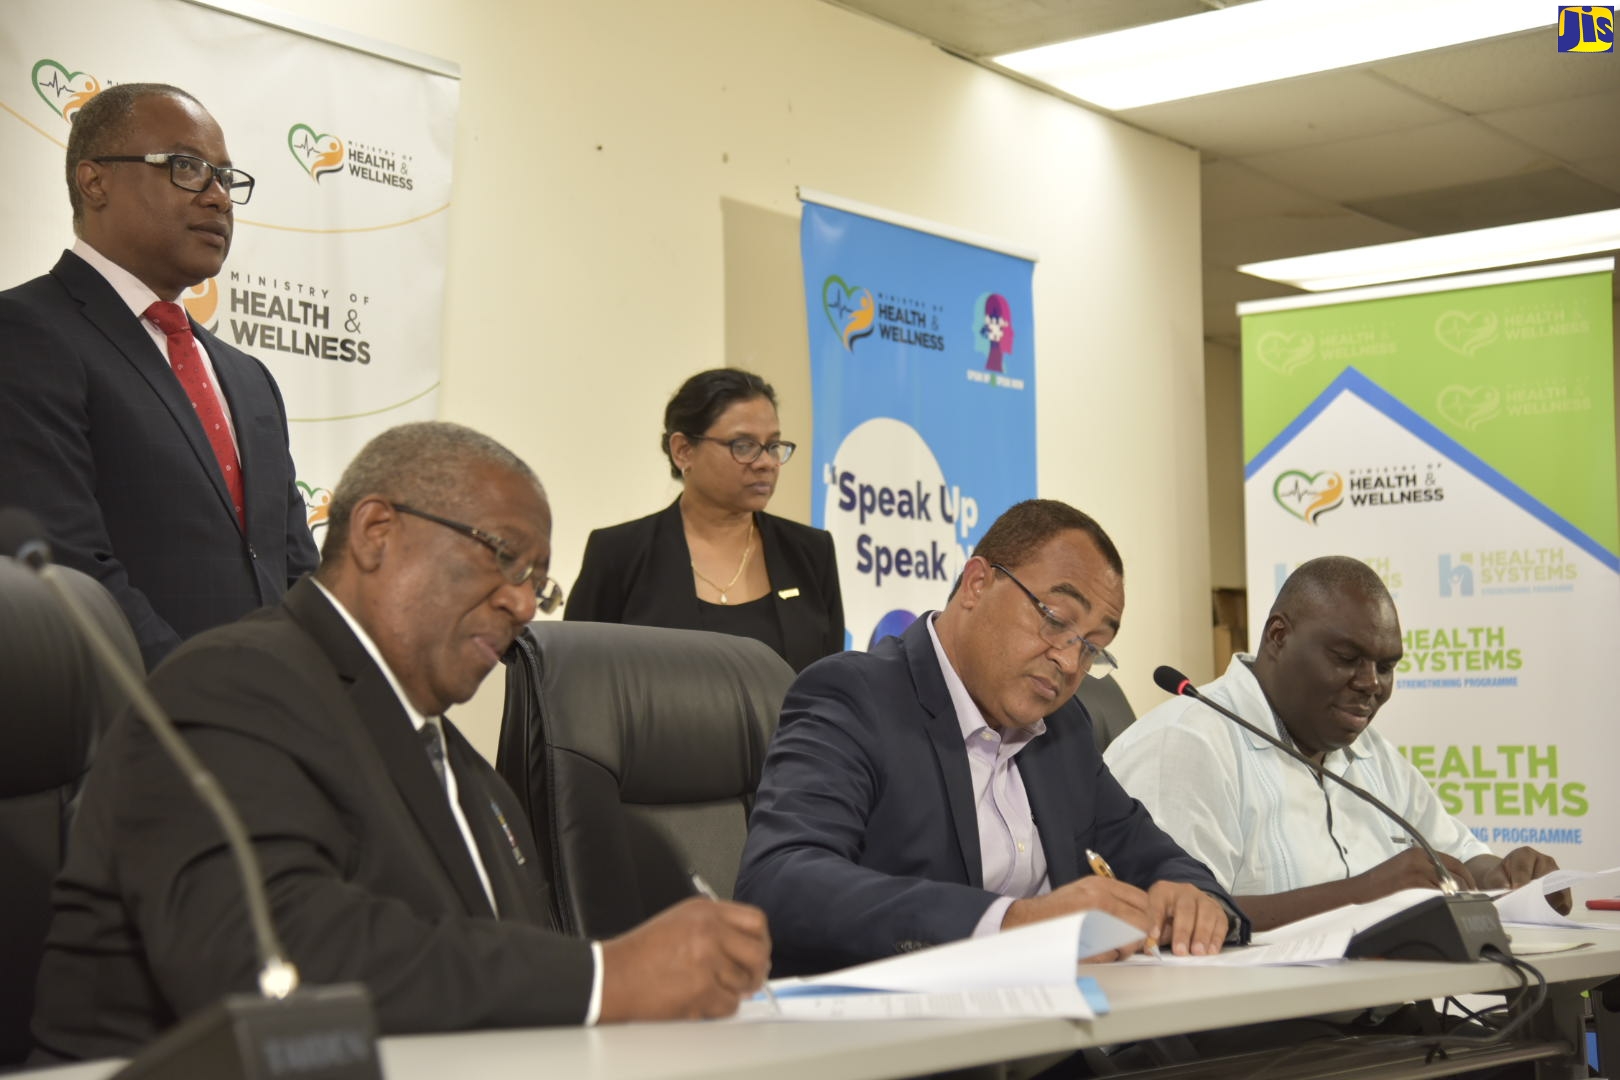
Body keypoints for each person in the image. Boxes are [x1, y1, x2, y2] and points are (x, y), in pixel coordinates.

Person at [30, 422, 771, 1062]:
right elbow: (271, 957)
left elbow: (480, 979)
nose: (520, 601)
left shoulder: (470, 775)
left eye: (537, 583)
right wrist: (604, 978)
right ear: (376, 532)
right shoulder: (232, 687)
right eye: (503, 556)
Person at [736, 499, 1243, 977]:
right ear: (976, 584)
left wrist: (1196, 897)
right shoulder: (855, 696)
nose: (1070, 663)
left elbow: (1149, 851)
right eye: (1056, 620)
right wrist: (1013, 923)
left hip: (1064, 1033)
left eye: (1092, 647)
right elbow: (781, 881)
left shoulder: (1064, 729)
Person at [0, 82, 317, 671]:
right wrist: (199, 705)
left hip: (267, 737)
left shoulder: (250, 381)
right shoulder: (22, 334)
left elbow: (297, 572)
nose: (219, 198)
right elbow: (69, 569)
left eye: (226, 178)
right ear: (94, 182)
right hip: (126, 739)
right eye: (188, 168)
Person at [1106, 555, 1569, 932]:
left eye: (1386, 667)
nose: (1371, 684)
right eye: (1347, 658)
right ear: (1279, 637)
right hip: (1242, 1035)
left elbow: (1458, 854)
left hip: (1375, 1019)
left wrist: (1506, 877)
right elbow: (1177, 919)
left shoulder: (1373, 756)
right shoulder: (1187, 744)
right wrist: (1366, 895)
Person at [565, 368, 843, 672]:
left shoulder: (811, 553)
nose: (766, 463)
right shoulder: (619, 554)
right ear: (683, 451)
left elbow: (829, 689)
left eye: (773, 446)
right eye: (744, 446)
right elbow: (575, 680)